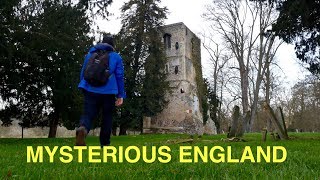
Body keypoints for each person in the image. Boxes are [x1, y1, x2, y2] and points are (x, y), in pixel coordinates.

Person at [76, 35, 125, 146]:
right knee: (107, 117)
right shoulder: (116, 57)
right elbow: (119, 76)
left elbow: (83, 72)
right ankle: (105, 144)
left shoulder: (90, 55)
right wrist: (120, 95)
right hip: (108, 92)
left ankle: (83, 128)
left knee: (87, 114)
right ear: (112, 46)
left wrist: (83, 86)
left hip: (90, 89)